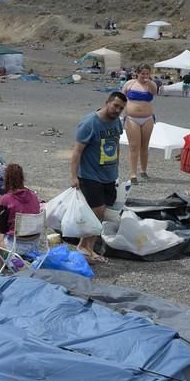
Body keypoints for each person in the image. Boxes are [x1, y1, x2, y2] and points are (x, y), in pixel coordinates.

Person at [70, 91, 127, 264]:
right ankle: (82, 246)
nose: (118, 110)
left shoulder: (116, 122)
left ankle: (90, 247)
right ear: (107, 102)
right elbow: (77, 151)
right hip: (90, 175)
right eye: (115, 105)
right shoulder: (90, 123)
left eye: (121, 108)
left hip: (109, 175)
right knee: (96, 211)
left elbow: (116, 143)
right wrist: (74, 176)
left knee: (101, 214)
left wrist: (116, 166)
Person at [0, 163, 41, 270]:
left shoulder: (6, 199)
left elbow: (3, 228)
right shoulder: (33, 195)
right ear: (22, 178)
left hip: (17, 243)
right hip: (35, 241)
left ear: (6, 179)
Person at [122, 63, 158, 184]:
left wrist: (148, 82)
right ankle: (133, 174)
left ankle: (143, 170)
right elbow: (121, 98)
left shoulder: (151, 85)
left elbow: (154, 92)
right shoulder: (129, 84)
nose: (145, 76)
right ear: (137, 73)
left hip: (147, 118)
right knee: (134, 146)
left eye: (147, 73)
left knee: (144, 145)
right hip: (132, 118)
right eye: (142, 73)